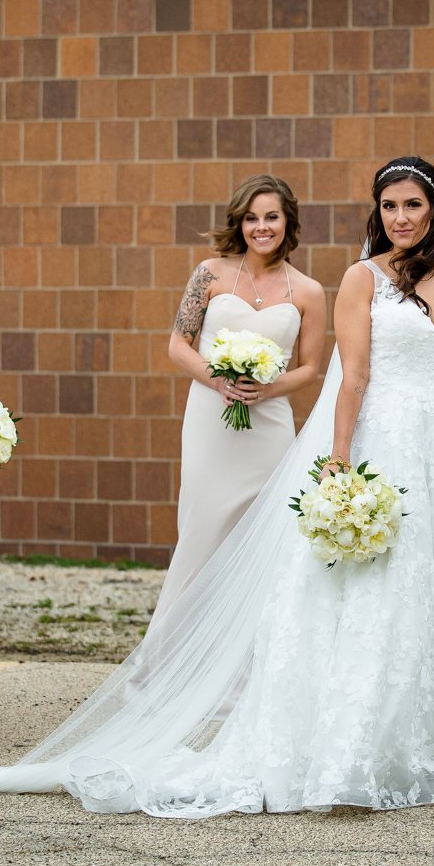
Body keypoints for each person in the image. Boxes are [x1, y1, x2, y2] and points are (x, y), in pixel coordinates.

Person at [0, 157, 434, 814]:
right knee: (224, 546)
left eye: (413, 204)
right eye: (390, 205)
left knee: (422, 575)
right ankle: (171, 678)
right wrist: (274, 413)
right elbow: (334, 374)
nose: (402, 215)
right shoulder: (306, 276)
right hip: (272, 426)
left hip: (404, 442)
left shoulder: (431, 281)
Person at [154, 175, 325, 624]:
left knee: (261, 533)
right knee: (201, 528)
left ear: (288, 221)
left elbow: (309, 368)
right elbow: (177, 345)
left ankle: (248, 658)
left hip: (269, 427)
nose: (260, 227)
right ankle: (173, 651)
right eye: (251, 218)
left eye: (271, 216)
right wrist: (217, 380)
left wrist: (269, 388)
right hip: (211, 420)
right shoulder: (210, 274)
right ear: (240, 222)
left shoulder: (308, 291)